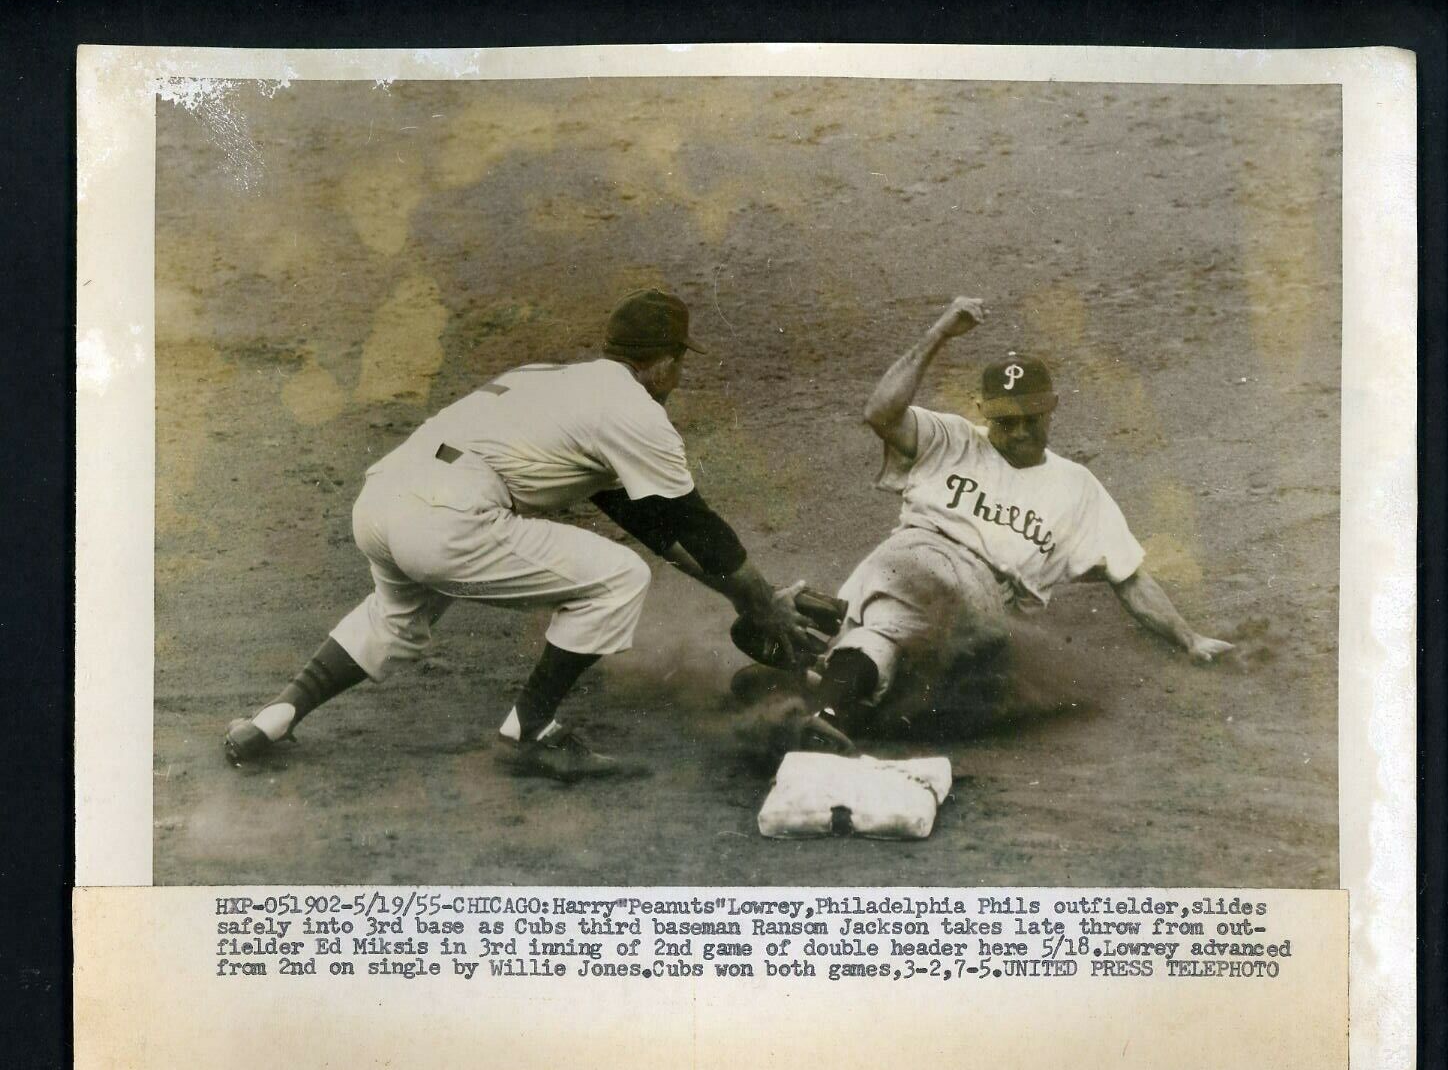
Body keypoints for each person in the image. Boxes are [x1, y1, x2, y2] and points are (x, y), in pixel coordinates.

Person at [225, 288, 816, 780]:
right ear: (662, 361)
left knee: (394, 614)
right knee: (620, 578)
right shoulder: (636, 412)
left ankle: (272, 718)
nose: (679, 376)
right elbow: (694, 523)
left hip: (381, 501)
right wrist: (762, 604)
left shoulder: (552, 382)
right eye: (679, 362)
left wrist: (746, 599)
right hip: (448, 517)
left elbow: (650, 524)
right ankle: (529, 732)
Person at [799, 296, 1234, 752]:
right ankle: (826, 699)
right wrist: (939, 334)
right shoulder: (951, 439)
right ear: (984, 411)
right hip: (908, 557)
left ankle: (818, 687)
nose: (1021, 431)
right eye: (1007, 421)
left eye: (1031, 418)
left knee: (890, 645)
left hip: (979, 594)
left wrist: (1189, 638)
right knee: (894, 615)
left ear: (1053, 409)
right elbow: (880, 413)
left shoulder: (1077, 488)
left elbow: (1130, 579)